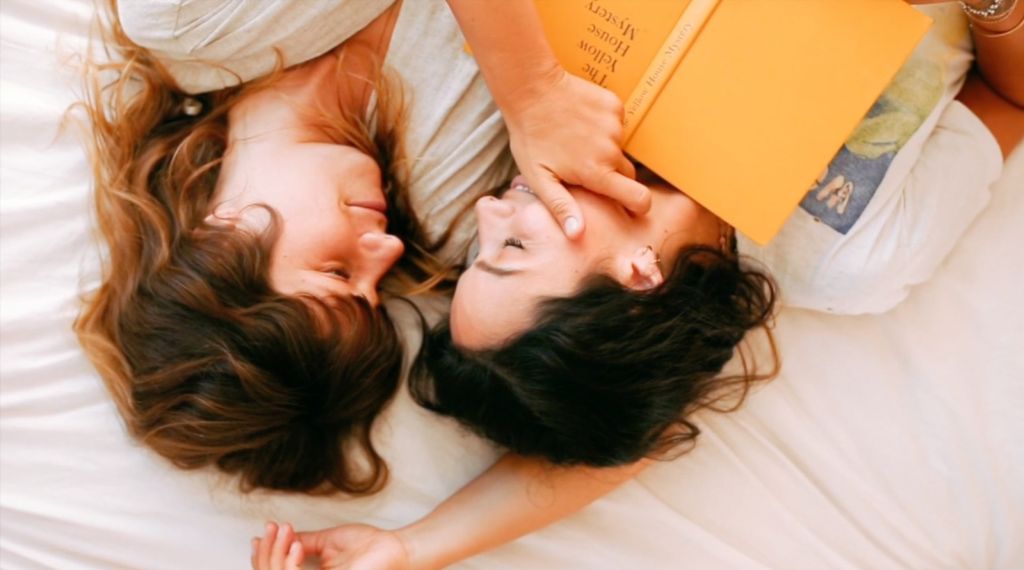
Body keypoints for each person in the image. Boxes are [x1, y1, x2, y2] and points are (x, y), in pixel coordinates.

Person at [249, 2, 1023, 568]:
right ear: (639, 279)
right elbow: (1012, 96)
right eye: (511, 247)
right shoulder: (848, 255)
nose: (487, 210)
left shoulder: (564, 101)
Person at [75, 0, 646, 496]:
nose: (386, 249)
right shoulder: (452, 207)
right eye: (373, 291)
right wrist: (414, 550)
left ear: (221, 239)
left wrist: (532, 94)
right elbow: (613, 413)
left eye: (335, 271)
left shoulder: (186, 21)